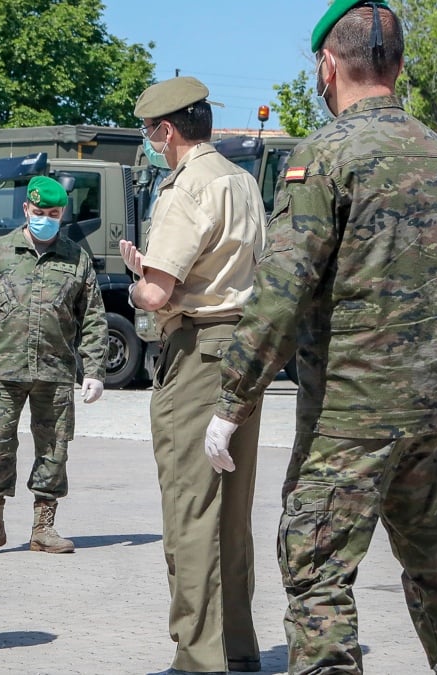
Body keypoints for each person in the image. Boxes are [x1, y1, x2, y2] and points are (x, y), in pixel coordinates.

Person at [204, 2, 437, 672]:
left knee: (317, 572)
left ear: (328, 66)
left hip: (350, 414)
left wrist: (232, 400)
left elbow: (282, 292)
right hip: (433, 408)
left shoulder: (324, 156)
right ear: (398, 65)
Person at [119, 76, 266, 675]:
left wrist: (137, 280)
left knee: (190, 508)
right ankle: (236, 645)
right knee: (233, 510)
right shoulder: (243, 179)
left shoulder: (185, 188)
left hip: (198, 350)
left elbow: (157, 293)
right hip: (245, 348)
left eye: (152, 133)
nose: (152, 143)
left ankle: (196, 657)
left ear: (168, 131)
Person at [0, 175, 107, 557]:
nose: (45, 218)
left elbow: (92, 317)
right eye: (39, 212)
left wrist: (93, 370)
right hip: (2, 371)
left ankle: (44, 527)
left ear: (63, 214)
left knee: (54, 450)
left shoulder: (77, 257)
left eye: (53, 213)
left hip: (54, 372)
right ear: (26, 209)